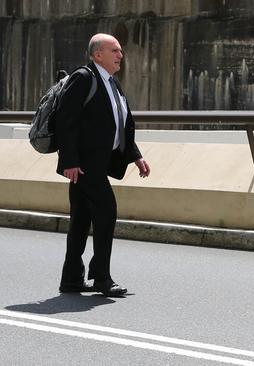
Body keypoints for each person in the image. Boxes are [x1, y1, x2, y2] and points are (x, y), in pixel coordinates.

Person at [56, 33, 150, 296]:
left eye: (120, 51)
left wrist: (135, 155)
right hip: (84, 165)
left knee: (81, 221)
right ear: (98, 54)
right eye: (115, 51)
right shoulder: (84, 78)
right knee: (106, 212)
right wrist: (70, 161)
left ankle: (72, 279)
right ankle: (101, 278)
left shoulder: (111, 83)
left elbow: (120, 124)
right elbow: (66, 120)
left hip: (96, 163)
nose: (121, 55)